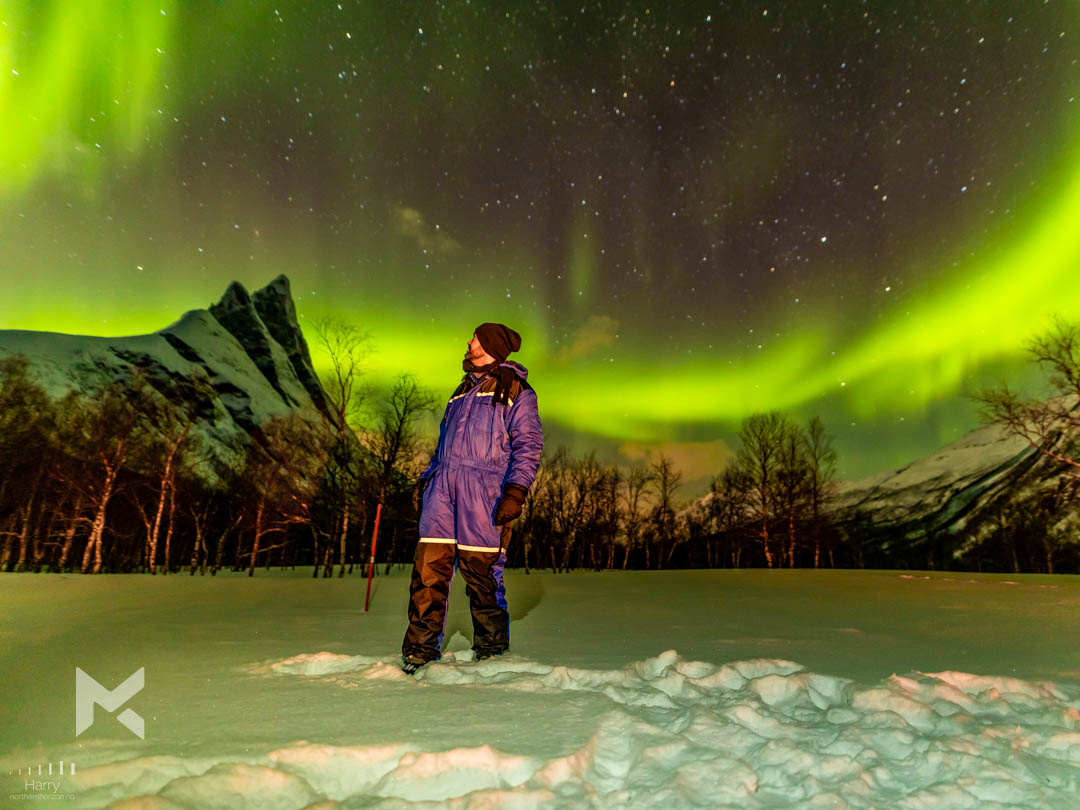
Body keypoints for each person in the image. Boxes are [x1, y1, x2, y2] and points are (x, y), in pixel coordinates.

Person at [401, 322, 543, 673]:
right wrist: (425, 480)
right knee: (427, 575)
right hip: (441, 495)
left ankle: (492, 654)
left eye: (475, 338)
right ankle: (419, 652)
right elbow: (443, 448)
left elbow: (528, 447)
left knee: (481, 576)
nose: (469, 342)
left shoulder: (516, 390)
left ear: (490, 345)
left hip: (483, 496)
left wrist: (516, 491)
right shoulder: (460, 392)